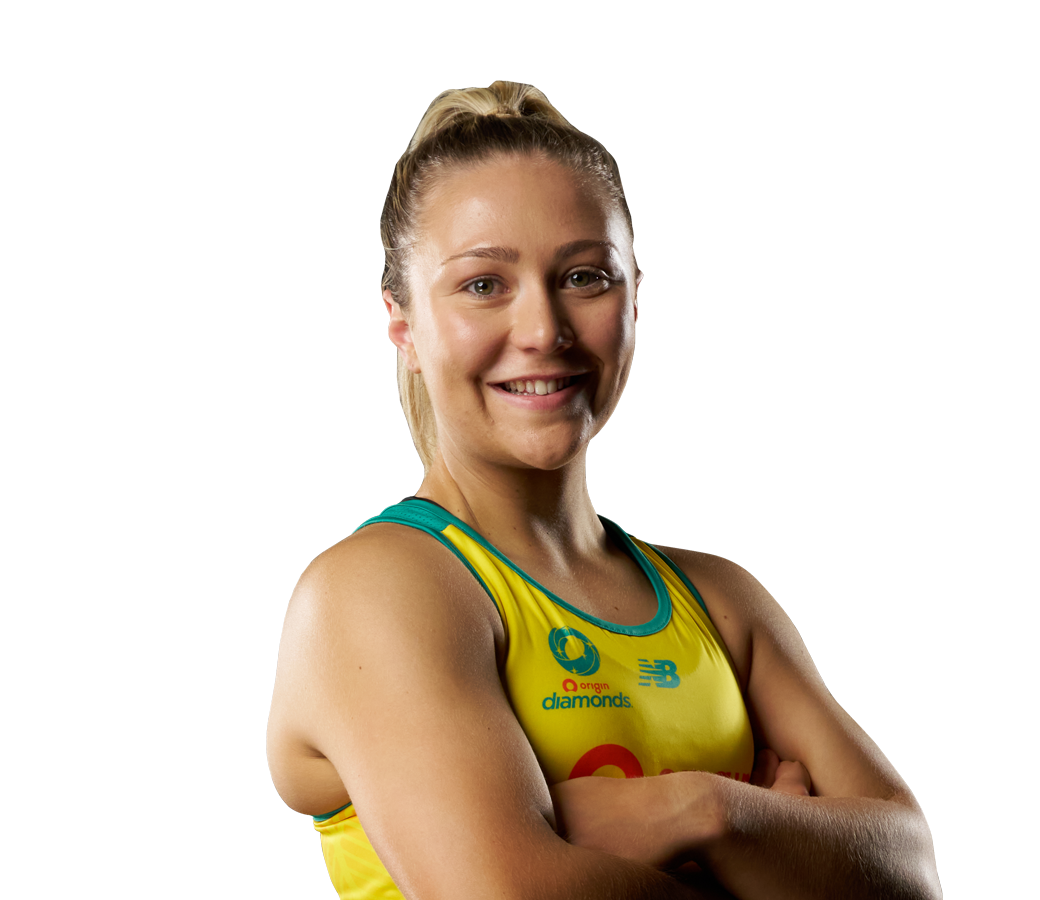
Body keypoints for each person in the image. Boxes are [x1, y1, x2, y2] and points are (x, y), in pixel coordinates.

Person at [267, 81, 942, 900]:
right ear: (403, 325)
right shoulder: (375, 591)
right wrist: (779, 855)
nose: (543, 330)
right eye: (483, 285)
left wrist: (706, 812)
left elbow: (911, 873)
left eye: (585, 277)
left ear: (633, 299)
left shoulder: (722, 601)